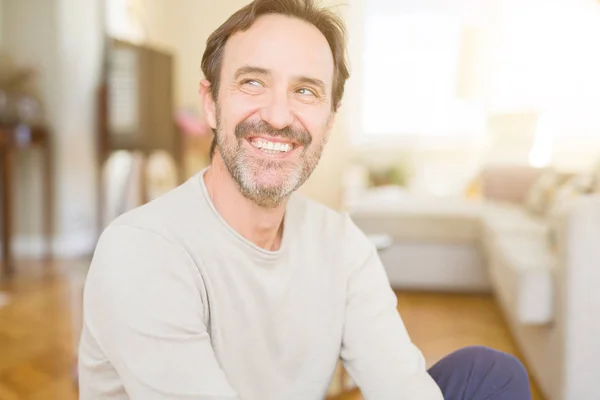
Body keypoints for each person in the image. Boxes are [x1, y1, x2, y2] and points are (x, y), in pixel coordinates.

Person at [78, 1, 533, 399]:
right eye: (253, 83)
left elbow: (404, 390)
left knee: (490, 374)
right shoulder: (141, 250)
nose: (278, 116)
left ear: (329, 123)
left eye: (305, 91)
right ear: (211, 103)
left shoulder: (342, 244)